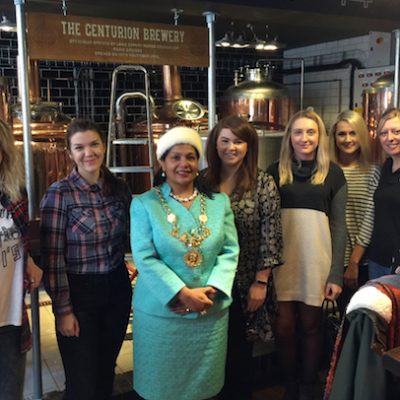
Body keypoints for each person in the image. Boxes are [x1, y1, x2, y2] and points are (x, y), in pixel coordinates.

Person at [130, 126, 239, 400]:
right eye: (175, 157)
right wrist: (181, 293)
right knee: (161, 387)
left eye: (190, 157)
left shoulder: (218, 202)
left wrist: (213, 289)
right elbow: (144, 257)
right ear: (162, 163)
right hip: (162, 314)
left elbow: (229, 250)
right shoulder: (144, 204)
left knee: (205, 389)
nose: (183, 164)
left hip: (209, 311)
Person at [40, 119, 132, 400]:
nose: (88, 152)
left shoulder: (119, 188)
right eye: (79, 147)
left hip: (117, 289)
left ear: (104, 146)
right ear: (70, 153)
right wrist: (63, 311)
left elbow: (128, 238)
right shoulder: (59, 193)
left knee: (105, 372)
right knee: (82, 382)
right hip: (80, 295)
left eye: (94, 144)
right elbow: (53, 259)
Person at [267, 109, 347, 400]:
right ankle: (290, 384)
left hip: (316, 262)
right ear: (289, 137)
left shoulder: (333, 174)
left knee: (312, 327)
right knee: (284, 328)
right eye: (298, 132)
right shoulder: (274, 171)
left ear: (320, 137)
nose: (304, 138)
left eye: (311, 132)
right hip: (282, 263)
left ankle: (308, 385)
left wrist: (336, 274)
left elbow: (339, 227)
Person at [202, 115, 283, 400]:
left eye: (238, 141)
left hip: (246, 282)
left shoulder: (263, 183)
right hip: (209, 282)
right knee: (210, 353)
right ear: (215, 144)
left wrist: (261, 282)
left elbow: (271, 235)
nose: (231, 147)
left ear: (249, 146)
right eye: (224, 141)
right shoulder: (203, 182)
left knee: (239, 355)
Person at [0, 119, 42, 400]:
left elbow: (21, 240)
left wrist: (29, 261)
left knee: (10, 393)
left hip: (10, 318)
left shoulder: (15, 194)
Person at [329, 110, 381, 315]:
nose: (347, 139)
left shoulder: (373, 172)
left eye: (353, 133)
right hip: (330, 259)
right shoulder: (326, 172)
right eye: (341, 134)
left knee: (357, 317)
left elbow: (370, 219)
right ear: (334, 137)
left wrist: (353, 262)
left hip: (361, 262)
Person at [368, 108, 400, 279]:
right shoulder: (385, 168)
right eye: (383, 133)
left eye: (396, 131)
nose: (390, 138)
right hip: (378, 259)